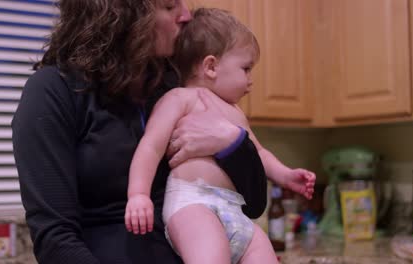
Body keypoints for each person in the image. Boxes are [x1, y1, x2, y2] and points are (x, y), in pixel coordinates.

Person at [11, 1, 269, 264]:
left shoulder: (178, 86)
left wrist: (231, 142)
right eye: (169, 6)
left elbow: (253, 204)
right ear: (123, 15)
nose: (186, 15)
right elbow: (56, 241)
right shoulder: (52, 92)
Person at [125, 7, 316, 264]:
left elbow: (258, 153)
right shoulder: (179, 99)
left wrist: (285, 175)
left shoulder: (235, 112)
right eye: (246, 68)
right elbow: (151, 147)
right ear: (211, 66)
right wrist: (138, 195)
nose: (251, 80)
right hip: (193, 204)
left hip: (235, 213)